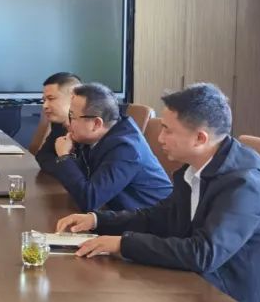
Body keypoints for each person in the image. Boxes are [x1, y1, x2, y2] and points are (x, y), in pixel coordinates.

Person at [57, 83, 260, 302]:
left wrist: (123, 244)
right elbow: (159, 216)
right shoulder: (193, 171)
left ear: (200, 138)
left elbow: (203, 254)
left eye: (168, 130)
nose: (160, 138)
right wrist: (97, 220)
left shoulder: (243, 184)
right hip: (204, 284)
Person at [46, 82, 172, 212]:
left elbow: (89, 200)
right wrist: (70, 155)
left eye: (72, 116)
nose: (67, 123)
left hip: (155, 221)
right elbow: (83, 181)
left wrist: (64, 157)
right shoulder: (95, 136)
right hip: (119, 214)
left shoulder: (126, 148)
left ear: (96, 124)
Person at [34, 72, 80, 172]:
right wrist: (63, 163)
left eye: (51, 99)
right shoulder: (58, 124)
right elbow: (42, 157)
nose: (45, 106)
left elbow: (81, 174)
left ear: (73, 98)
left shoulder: (91, 129)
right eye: (44, 100)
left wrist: (63, 156)